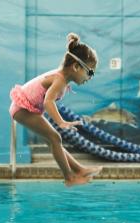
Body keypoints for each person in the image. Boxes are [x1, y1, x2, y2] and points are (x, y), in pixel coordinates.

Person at [9, 33, 102, 187]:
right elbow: (48, 101)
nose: (90, 77)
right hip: (21, 109)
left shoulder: (61, 78)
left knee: (52, 141)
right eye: (90, 72)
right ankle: (69, 178)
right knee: (55, 138)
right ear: (76, 66)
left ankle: (80, 170)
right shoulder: (59, 79)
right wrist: (61, 122)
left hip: (25, 109)